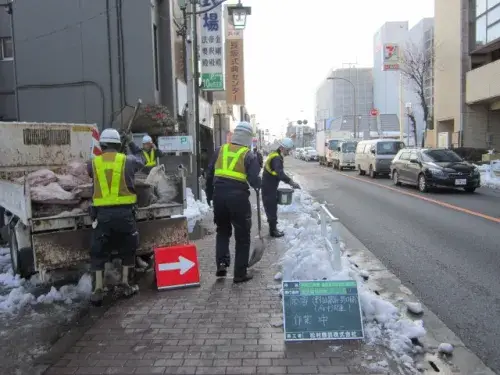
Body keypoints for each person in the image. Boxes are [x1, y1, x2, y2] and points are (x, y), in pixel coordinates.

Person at [87, 128, 145, 305]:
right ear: (119, 145)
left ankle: (98, 289)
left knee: (98, 251)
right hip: (125, 215)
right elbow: (142, 160)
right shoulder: (127, 161)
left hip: (102, 216)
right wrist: (132, 143)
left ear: (102, 145)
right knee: (129, 249)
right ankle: (126, 284)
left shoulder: (93, 163)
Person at [205, 122, 262, 283]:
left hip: (219, 197)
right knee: (242, 236)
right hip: (238, 199)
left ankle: (222, 264)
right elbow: (254, 181)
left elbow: (209, 175)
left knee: (222, 231)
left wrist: (210, 195)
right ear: (248, 138)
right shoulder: (248, 155)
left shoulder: (220, 150)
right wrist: (259, 179)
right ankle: (240, 273)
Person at [262, 138, 300, 238]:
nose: (288, 153)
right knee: (271, 208)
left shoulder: (276, 154)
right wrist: (291, 182)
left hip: (269, 185)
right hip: (268, 187)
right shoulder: (277, 158)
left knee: (271, 207)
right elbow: (280, 174)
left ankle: (273, 228)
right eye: (287, 150)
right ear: (282, 148)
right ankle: (273, 231)